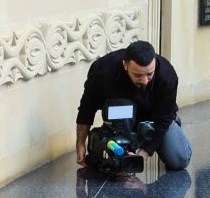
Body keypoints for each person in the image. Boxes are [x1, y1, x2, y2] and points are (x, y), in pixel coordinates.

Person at [75, 40, 192, 171]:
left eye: (149, 74)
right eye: (138, 75)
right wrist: (80, 143)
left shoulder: (167, 74)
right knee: (123, 106)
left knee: (179, 160)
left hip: (156, 119)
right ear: (125, 65)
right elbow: (87, 108)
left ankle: (174, 126)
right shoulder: (103, 70)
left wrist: (142, 156)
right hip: (122, 117)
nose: (144, 81)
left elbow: (163, 119)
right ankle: (120, 144)